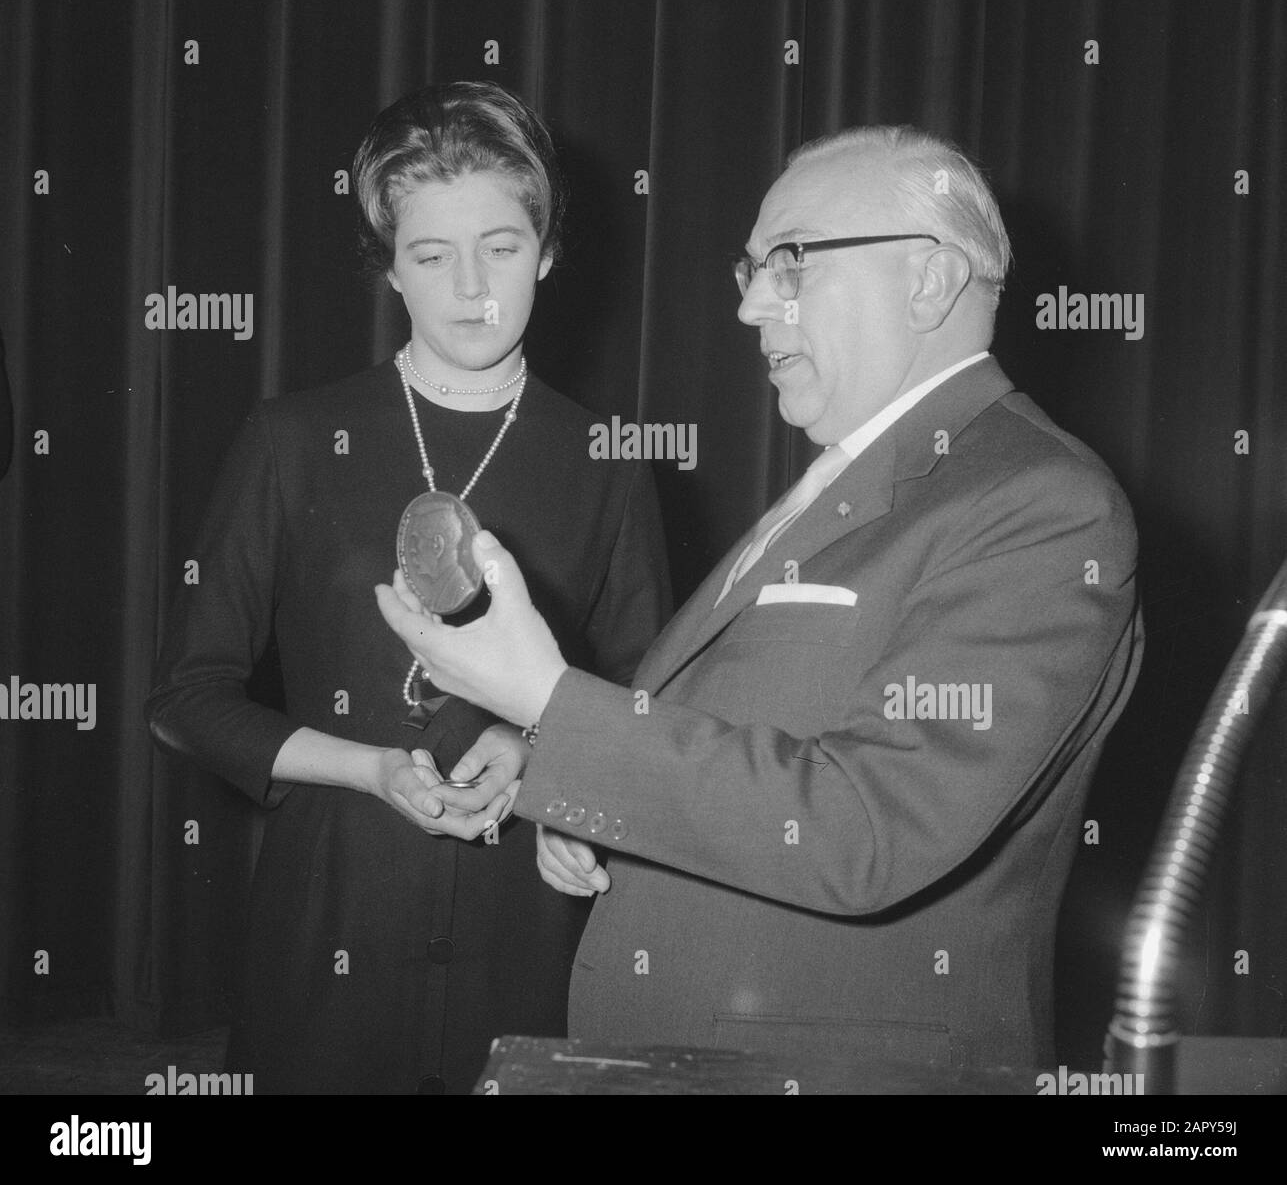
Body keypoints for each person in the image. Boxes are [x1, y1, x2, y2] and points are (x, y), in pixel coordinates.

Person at [376, 124, 1145, 1075]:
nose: (747, 305)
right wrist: (579, 790)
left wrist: (548, 703)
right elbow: (740, 736)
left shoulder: (1040, 501)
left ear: (928, 280)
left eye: (788, 262)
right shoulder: (849, 478)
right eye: (749, 269)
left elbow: (866, 829)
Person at [146, 81, 671, 1094]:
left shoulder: (610, 460)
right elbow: (185, 697)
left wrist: (531, 745)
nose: (471, 284)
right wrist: (370, 769)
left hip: (531, 921)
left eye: (503, 248)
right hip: (330, 911)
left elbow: (647, 698)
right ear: (391, 267)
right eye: (432, 254)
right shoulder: (290, 441)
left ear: (550, 252)